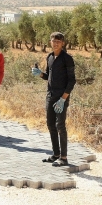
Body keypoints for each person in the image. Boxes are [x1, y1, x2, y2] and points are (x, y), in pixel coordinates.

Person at [31, 32, 76, 166]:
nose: (55, 43)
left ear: (62, 43)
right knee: (50, 125)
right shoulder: (49, 57)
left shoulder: (67, 58)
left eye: (58, 41)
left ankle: (64, 157)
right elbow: (48, 77)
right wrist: (40, 74)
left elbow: (72, 81)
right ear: (50, 42)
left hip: (61, 97)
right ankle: (56, 154)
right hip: (50, 95)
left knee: (60, 125)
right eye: (53, 41)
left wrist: (63, 99)